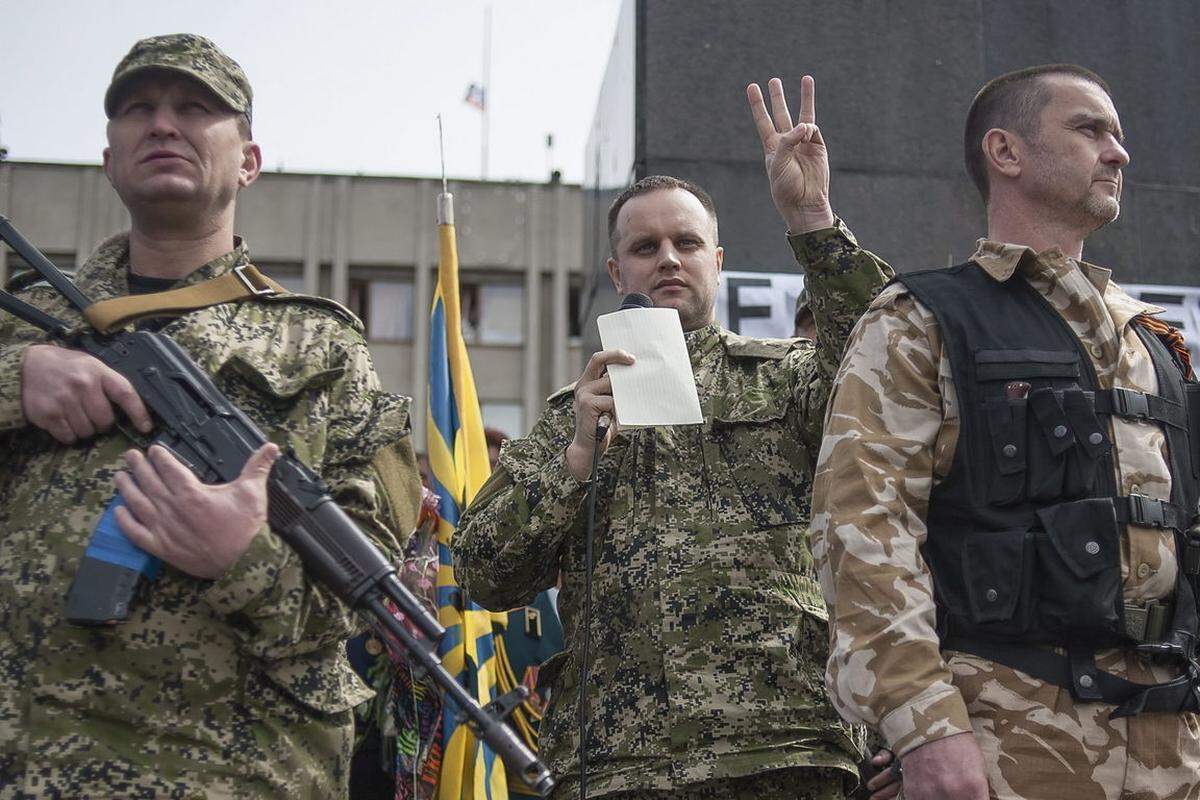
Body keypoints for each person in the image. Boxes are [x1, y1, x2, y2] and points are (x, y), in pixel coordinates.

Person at [0, 34, 420, 798]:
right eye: (138, 110)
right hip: (28, 757)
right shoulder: (24, 317)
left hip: (232, 768)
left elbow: (366, 585)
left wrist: (244, 556)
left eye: (195, 108)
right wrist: (14, 377)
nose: (163, 124)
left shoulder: (326, 347)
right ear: (107, 159)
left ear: (249, 162)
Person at [453, 77, 893, 799]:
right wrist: (575, 462)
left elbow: (888, 369)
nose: (667, 258)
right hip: (619, 763)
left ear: (717, 264)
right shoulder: (574, 414)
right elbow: (482, 575)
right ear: (616, 271)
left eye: (687, 243)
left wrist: (811, 217)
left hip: (785, 749)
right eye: (645, 245)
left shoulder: (786, 380)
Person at [811, 63, 1200, 800]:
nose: (1118, 153)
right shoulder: (922, 320)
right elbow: (862, 531)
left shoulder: (1155, 345)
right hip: (1010, 744)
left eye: (1119, 136)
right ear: (1006, 152)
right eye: (1090, 130)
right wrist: (925, 728)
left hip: (1174, 746)